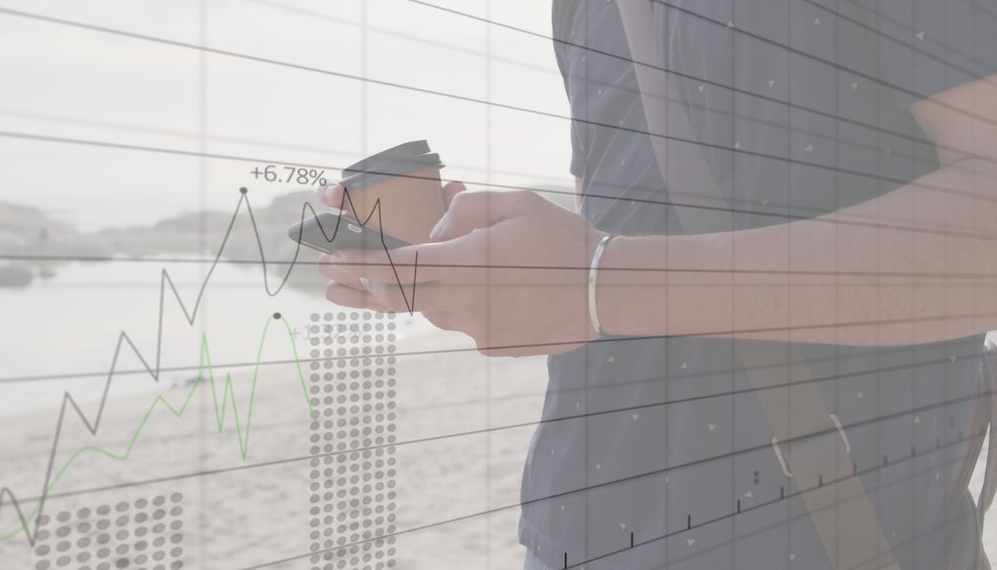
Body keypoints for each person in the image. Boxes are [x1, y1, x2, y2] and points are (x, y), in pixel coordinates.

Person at [317, 0, 997, 568]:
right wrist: (483, 271)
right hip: (574, 532)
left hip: (817, 537)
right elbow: (622, 237)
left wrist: (597, 283)